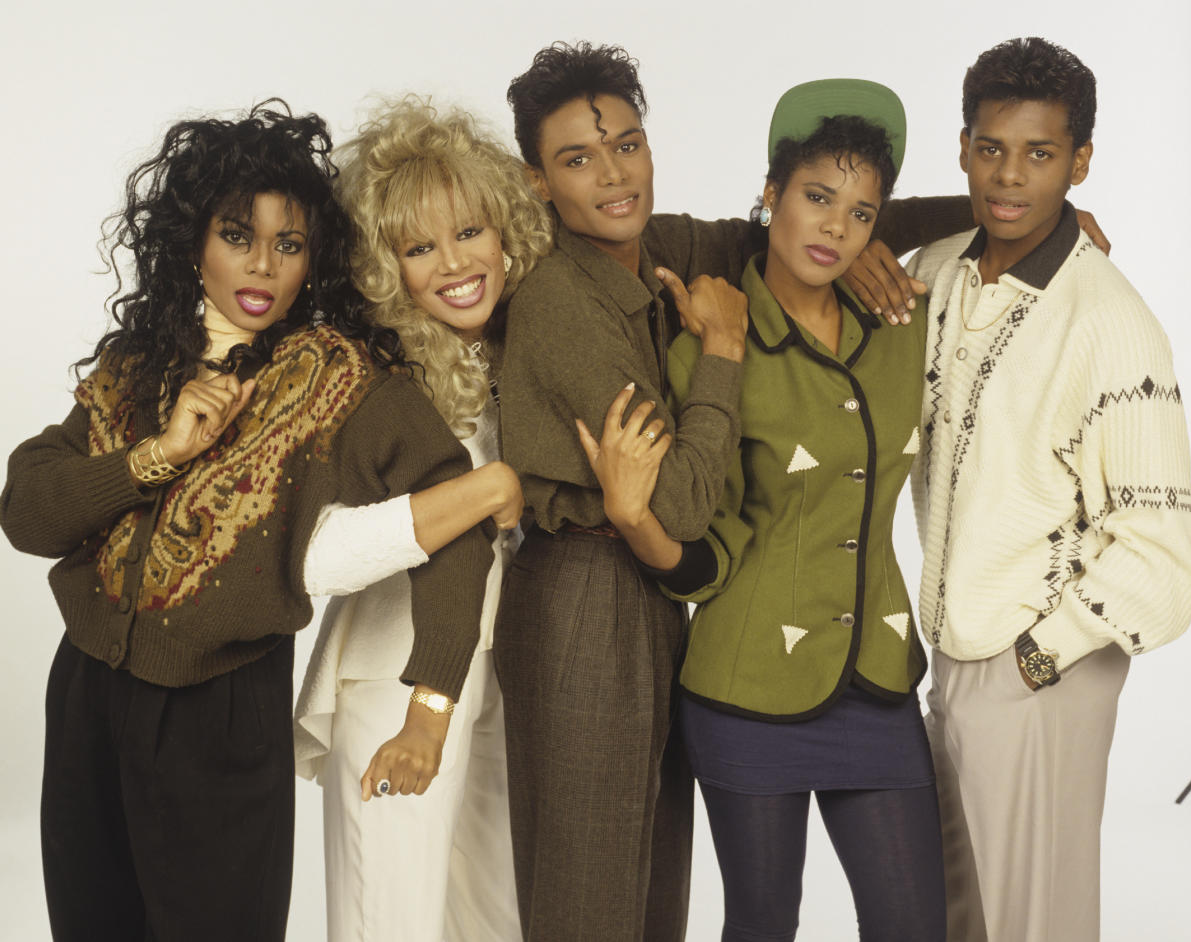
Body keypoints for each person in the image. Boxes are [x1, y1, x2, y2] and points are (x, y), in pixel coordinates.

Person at [494, 41, 977, 942]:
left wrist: (1003, 217)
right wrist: (721, 350)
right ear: (535, 182)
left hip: (661, 598)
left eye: (626, 144)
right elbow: (677, 505)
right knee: (589, 894)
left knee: (653, 896)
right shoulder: (561, 298)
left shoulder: (660, 243)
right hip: (580, 595)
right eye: (577, 158)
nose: (613, 174)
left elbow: (809, 215)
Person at [0, 101, 493, 942]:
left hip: (218, 714)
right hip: (84, 693)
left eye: (289, 244)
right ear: (192, 244)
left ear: (314, 259)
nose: (262, 264)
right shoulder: (134, 367)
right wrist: (156, 452)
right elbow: (26, 511)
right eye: (238, 235)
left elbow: (457, 515)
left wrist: (431, 703)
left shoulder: (341, 381)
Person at [905, 38, 1191, 941]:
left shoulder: (1112, 322)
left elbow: (1164, 558)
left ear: (1080, 164)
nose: (1011, 176)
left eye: (1041, 155)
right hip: (951, 657)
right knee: (961, 917)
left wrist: (1040, 657)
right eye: (992, 148)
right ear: (962, 148)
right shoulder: (935, 271)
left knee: (1035, 923)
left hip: (1040, 668)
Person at [293, 96, 550, 942]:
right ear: (382, 265)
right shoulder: (364, 376)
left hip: (508, 672)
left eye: (469, 232)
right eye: (418, 246)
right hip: (399, 678)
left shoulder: (526, 346)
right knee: (390, 923)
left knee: (497, 922)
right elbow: (313, 556)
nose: (453, 263)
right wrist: (470, 497)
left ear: (506, 227)